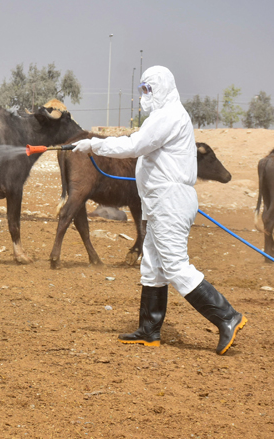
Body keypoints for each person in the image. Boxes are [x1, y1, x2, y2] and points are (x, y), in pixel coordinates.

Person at [72, 66, 246, 355]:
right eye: (143, 89)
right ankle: (149, 329)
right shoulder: (163, 117)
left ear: (164, 87)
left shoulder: (169, 116)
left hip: (170, 201)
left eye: (149, 89)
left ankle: (227, 316)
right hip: (159, 201)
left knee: (175, 265)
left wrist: (94, 144)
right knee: (152, 265)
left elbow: (136, 144)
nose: (145, 95)